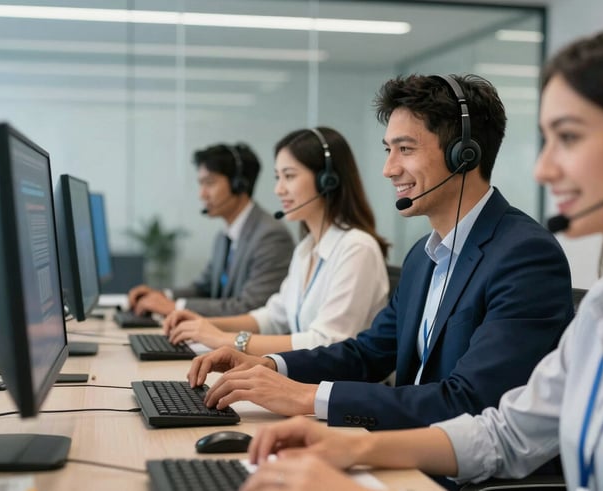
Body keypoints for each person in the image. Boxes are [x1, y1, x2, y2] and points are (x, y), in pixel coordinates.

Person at [242, 25, 603, 491]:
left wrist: (326, 435)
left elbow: (470, 400)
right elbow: (505, 432)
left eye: (569, 137)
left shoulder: (531, 256)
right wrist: (351, 447)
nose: (543, 169)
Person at [186, 74, 574, 432]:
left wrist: (306, 397)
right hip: (400, 446)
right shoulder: (424, 256)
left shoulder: (524, 256)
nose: (388, 169)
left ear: (464, 155)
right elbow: (368, 352)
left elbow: (470, 400)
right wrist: (270, 365)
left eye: (405, 149)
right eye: (389, 149)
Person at [161, 127, 390, 356]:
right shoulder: (306, 249)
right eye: (277, 177)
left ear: (326, 180)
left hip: (340, 388)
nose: (278, 190)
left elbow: (326, 341)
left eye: (289, 176)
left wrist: (224, 339)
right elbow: (273, 317)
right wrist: (206, 325)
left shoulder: (357, 248)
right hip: (307, 380)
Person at [127, 143, 294, 317]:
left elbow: (251, 307)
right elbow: (203, 288)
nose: (202, 194)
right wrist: (162, 296)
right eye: (201, 184)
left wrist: (175, 307)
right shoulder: (224, 237)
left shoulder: (271, 237)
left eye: (210, 183)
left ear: (239, 185)